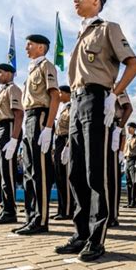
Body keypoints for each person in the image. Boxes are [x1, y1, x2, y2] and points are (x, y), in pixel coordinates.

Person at [55, 0, 136, 262]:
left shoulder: (108, 28)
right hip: (77, 102)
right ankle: (80, 233)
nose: (75, 0)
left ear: (96, 1)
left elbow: (132, 64)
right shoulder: (81, 33)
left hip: (96, 97)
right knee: (75, 172)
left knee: (95, 171)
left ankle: (96, 237)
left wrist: (113, 96)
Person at [12, 34, 60, 235]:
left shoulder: (46, 66)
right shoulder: (31, 71)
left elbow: (55, 96)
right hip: (30, 118)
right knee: (30, 171)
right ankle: (31, 217)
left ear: (41, 47)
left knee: (40, 172)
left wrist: (48, 127)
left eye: (30, 45)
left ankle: (41, 220)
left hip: (41, 116)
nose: (26, 48)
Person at [0, 63, 24, 225]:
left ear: (10, 74)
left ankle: (10, 211)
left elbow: (18, 114)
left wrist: (14, 139)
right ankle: (4, 208)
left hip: (9, 127)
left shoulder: (12, 89)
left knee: (7, 171)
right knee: (0, 172)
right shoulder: (1, 91)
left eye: (0, 73)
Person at [107, 90, 133, 227]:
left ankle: (113, 215)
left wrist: (119, 129)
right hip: (101, 127)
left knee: (112, 177)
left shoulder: (117, 86)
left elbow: (128, 108)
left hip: (114, 127)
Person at [53, 85, 74, 220]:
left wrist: (67, 146)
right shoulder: (62, 109)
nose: (58, 95)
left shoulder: (72, 107)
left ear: (67, 94)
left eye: (60, 93)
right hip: (59, 141)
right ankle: (61, 208)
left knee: (66, 177)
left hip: (67, 140)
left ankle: (67, 210)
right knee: (59, 177)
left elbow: (73, 127)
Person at [122, 122, 136, 208]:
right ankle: (129, 202)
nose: (128, 129)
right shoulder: (128, 138)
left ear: (134, 129)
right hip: (127, 160)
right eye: (127, 127)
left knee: (134, 182)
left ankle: (134, 202)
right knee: (128, 183)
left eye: (130, 128)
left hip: (133, 160)